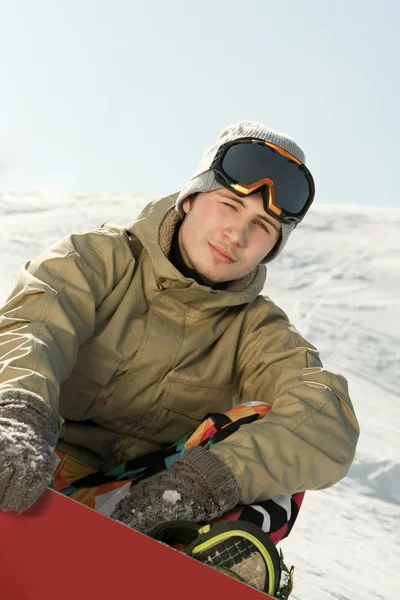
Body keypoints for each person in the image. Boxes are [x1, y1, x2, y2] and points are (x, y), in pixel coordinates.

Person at [0, 121, 359, 594]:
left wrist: (201, 484)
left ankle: (211, 566)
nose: (237, 233)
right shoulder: (97, 258)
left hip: (149, 514)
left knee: (281, 425)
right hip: (27, 466)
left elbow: (324, 416)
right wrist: (18, 417)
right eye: (229, 205)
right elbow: (33, 330)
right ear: (189, 199)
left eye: (263, 226)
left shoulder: (257, 329)